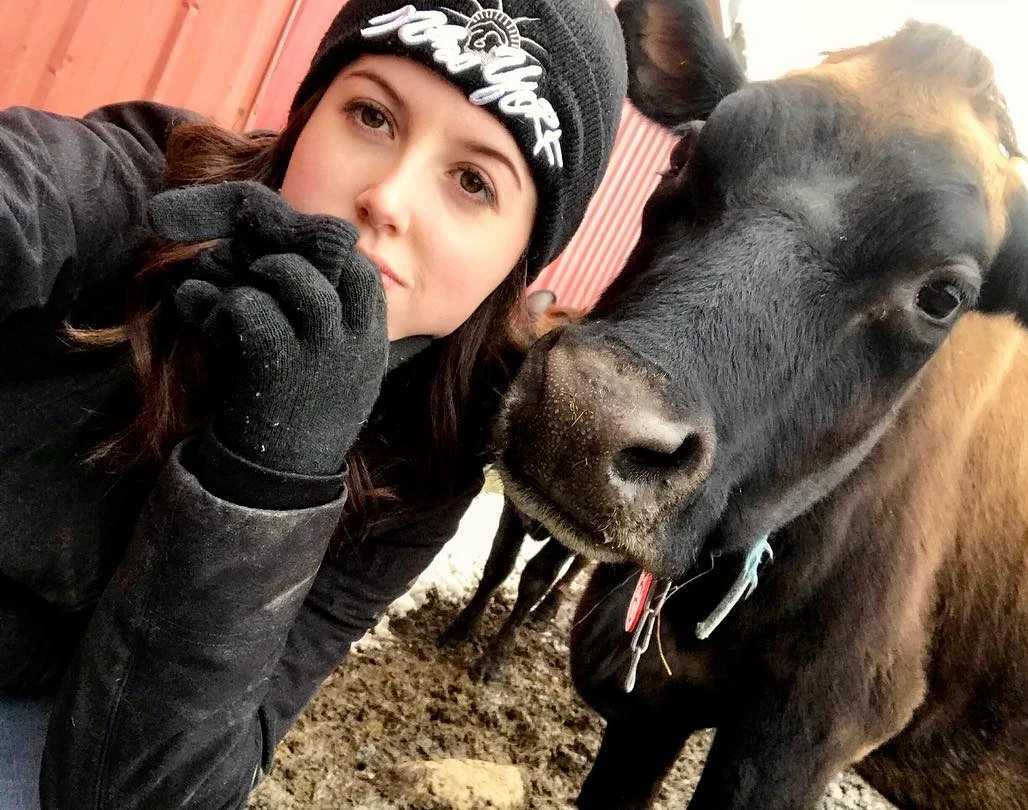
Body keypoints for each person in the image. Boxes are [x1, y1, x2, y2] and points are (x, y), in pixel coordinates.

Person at [0, 1, 627, 806]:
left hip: (70, 718)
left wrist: (271, 470)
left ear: (523, 253)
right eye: (371, 115)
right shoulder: (134, 188)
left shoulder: (425, 462)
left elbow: (146, 792)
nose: (388, 199)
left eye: (473, 180)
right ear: (305, 118)